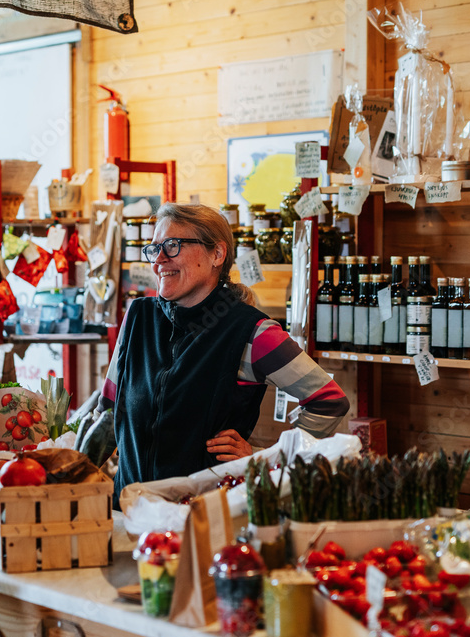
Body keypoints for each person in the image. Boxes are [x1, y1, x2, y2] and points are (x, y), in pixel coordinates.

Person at [100, 203, 350, 496]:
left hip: (205, 520)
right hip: (131, 514)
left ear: (217, 254)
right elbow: (108, 409)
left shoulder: (252, 332)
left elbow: (329, 402)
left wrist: (264, 459)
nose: (159, 261)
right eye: (155, 249)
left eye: (172, 245)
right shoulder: (138, 317)